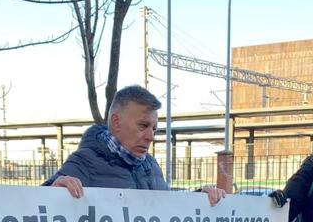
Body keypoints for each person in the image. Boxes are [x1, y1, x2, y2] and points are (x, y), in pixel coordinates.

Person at [43, 85, 227, 206]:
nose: (150, 137)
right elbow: (33, 213)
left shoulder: (151, 166)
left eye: (154, 128)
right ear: (116, 122)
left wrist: (200, 198)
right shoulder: (84, 163)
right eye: (143, 126)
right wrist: (54, 192)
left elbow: (168, 208)